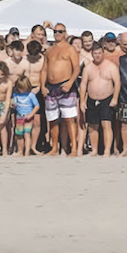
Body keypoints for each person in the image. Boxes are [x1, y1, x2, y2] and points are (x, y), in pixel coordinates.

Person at [41, 23, 81, 156]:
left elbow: (76, 69)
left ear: (65, 33)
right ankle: (54, 148)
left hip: (65, 85)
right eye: (55, 32)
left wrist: (70, 83)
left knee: (69, 118)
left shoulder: (70, 49)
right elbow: (44, 69)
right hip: (51, 87)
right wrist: (42, 86)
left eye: (60, 31)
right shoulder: (49, 50)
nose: (57, 34)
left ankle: (73, 148)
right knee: (52, 119)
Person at [80, 42, 120, 157]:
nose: (97, 56)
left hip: (107, 98)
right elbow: (83, 85)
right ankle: (94, 150)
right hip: (92, 99)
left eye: (99, 53)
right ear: (92, 54)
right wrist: (82, 101)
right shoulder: (88, 68)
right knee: (93, 126)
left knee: (106, 124)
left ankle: (107, 150)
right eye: (95, 54)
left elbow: (117, 83)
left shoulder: (111, 66)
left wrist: (115, 98)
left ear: (103, 53)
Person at [12, 76, 39, 157]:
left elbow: (37, 106)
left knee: (27, 134)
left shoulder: (31, 95)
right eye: (20, 88)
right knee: (19, 134)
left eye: (24, 88)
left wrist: (31, 114)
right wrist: (13, 104)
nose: (22, 90)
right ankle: (20, 151)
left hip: (28, 117)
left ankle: (27, 151)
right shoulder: (16, 95)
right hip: (19, 117)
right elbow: (14, 104)